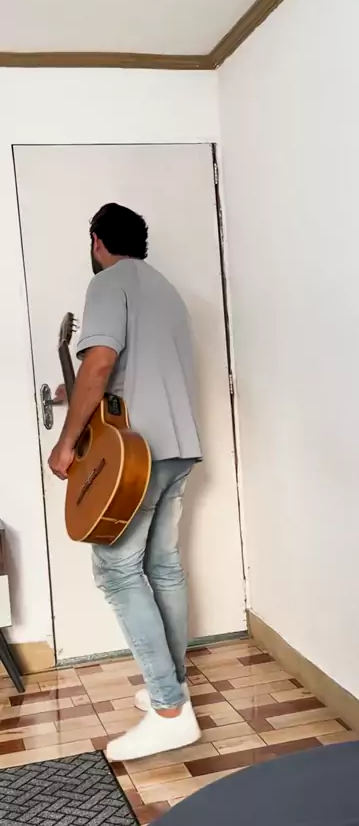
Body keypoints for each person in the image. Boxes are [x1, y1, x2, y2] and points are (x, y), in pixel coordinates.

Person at [48, 202, 202, 761]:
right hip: (179, 446)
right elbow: (134, 371)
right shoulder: (165, 289)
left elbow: (99, 364)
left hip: (137, 455)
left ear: (97, 241)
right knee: (162, 567)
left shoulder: (108, 282)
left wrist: (66, 442)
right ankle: (174, 687)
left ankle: (169, 711)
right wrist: (77, 396)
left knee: (116, 571)